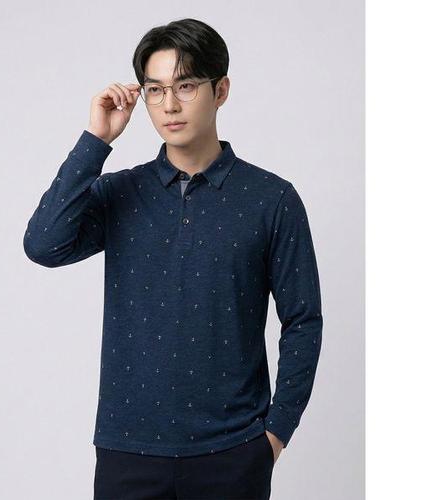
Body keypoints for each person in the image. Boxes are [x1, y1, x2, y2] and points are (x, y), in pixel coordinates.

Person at [23, 17, 323, 500]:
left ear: (220, 90)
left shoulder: (272, 199)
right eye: (155, 90)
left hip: (233, 452)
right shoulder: (121, 192)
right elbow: (44, 244)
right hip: (128, 450)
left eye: (185, 86)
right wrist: (96, 140)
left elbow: (303, 320)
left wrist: (275, 434)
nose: (169, 105)